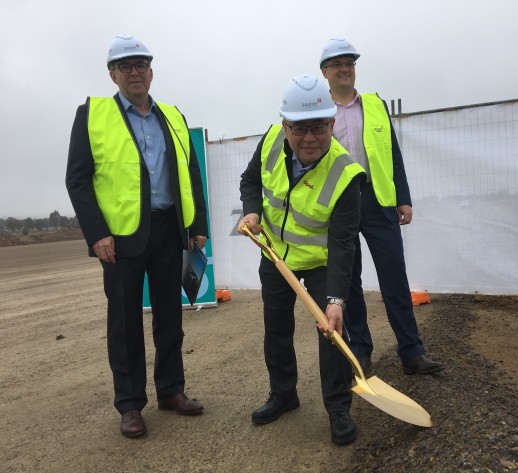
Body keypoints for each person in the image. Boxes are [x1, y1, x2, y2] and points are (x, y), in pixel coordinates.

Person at [66, 34, 209, 438]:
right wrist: (97, 234)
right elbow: (77, 180)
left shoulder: (173, 117)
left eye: (141, 65)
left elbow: (190, 172)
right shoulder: (93, 115)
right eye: (126, 66)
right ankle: (130, 404)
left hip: (167, 230)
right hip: (120, 239)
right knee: (125, 324)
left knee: (170, 318)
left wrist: (197, 227)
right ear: (112, 75)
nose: (135, 72)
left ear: (151, 71)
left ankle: (171, 391)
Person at [238, 75, 366, 445]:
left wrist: (337, 300)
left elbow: (344, 244)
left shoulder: (346, 175)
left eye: (318, 128)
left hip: (323, 262)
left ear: (332, 124)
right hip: (275, 253)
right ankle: (283, 393)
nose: (309, 138)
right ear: (285, 126)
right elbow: (250, 180)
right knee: (276, 327)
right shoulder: (271, 140)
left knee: (332, 332)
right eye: (299, 129)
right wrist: (252, 213)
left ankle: (339, 407)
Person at [319, 38, 446, 376]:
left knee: (394, 278)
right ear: (325, 72)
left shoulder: (375, 105)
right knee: (349, 284)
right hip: (338, 205)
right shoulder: (319, 111)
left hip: (378, 201)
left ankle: (412, 352)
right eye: (338, 63)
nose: (345, 68)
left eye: (350, 62)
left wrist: (403, 198)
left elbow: (392, 155)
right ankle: (361, 351)